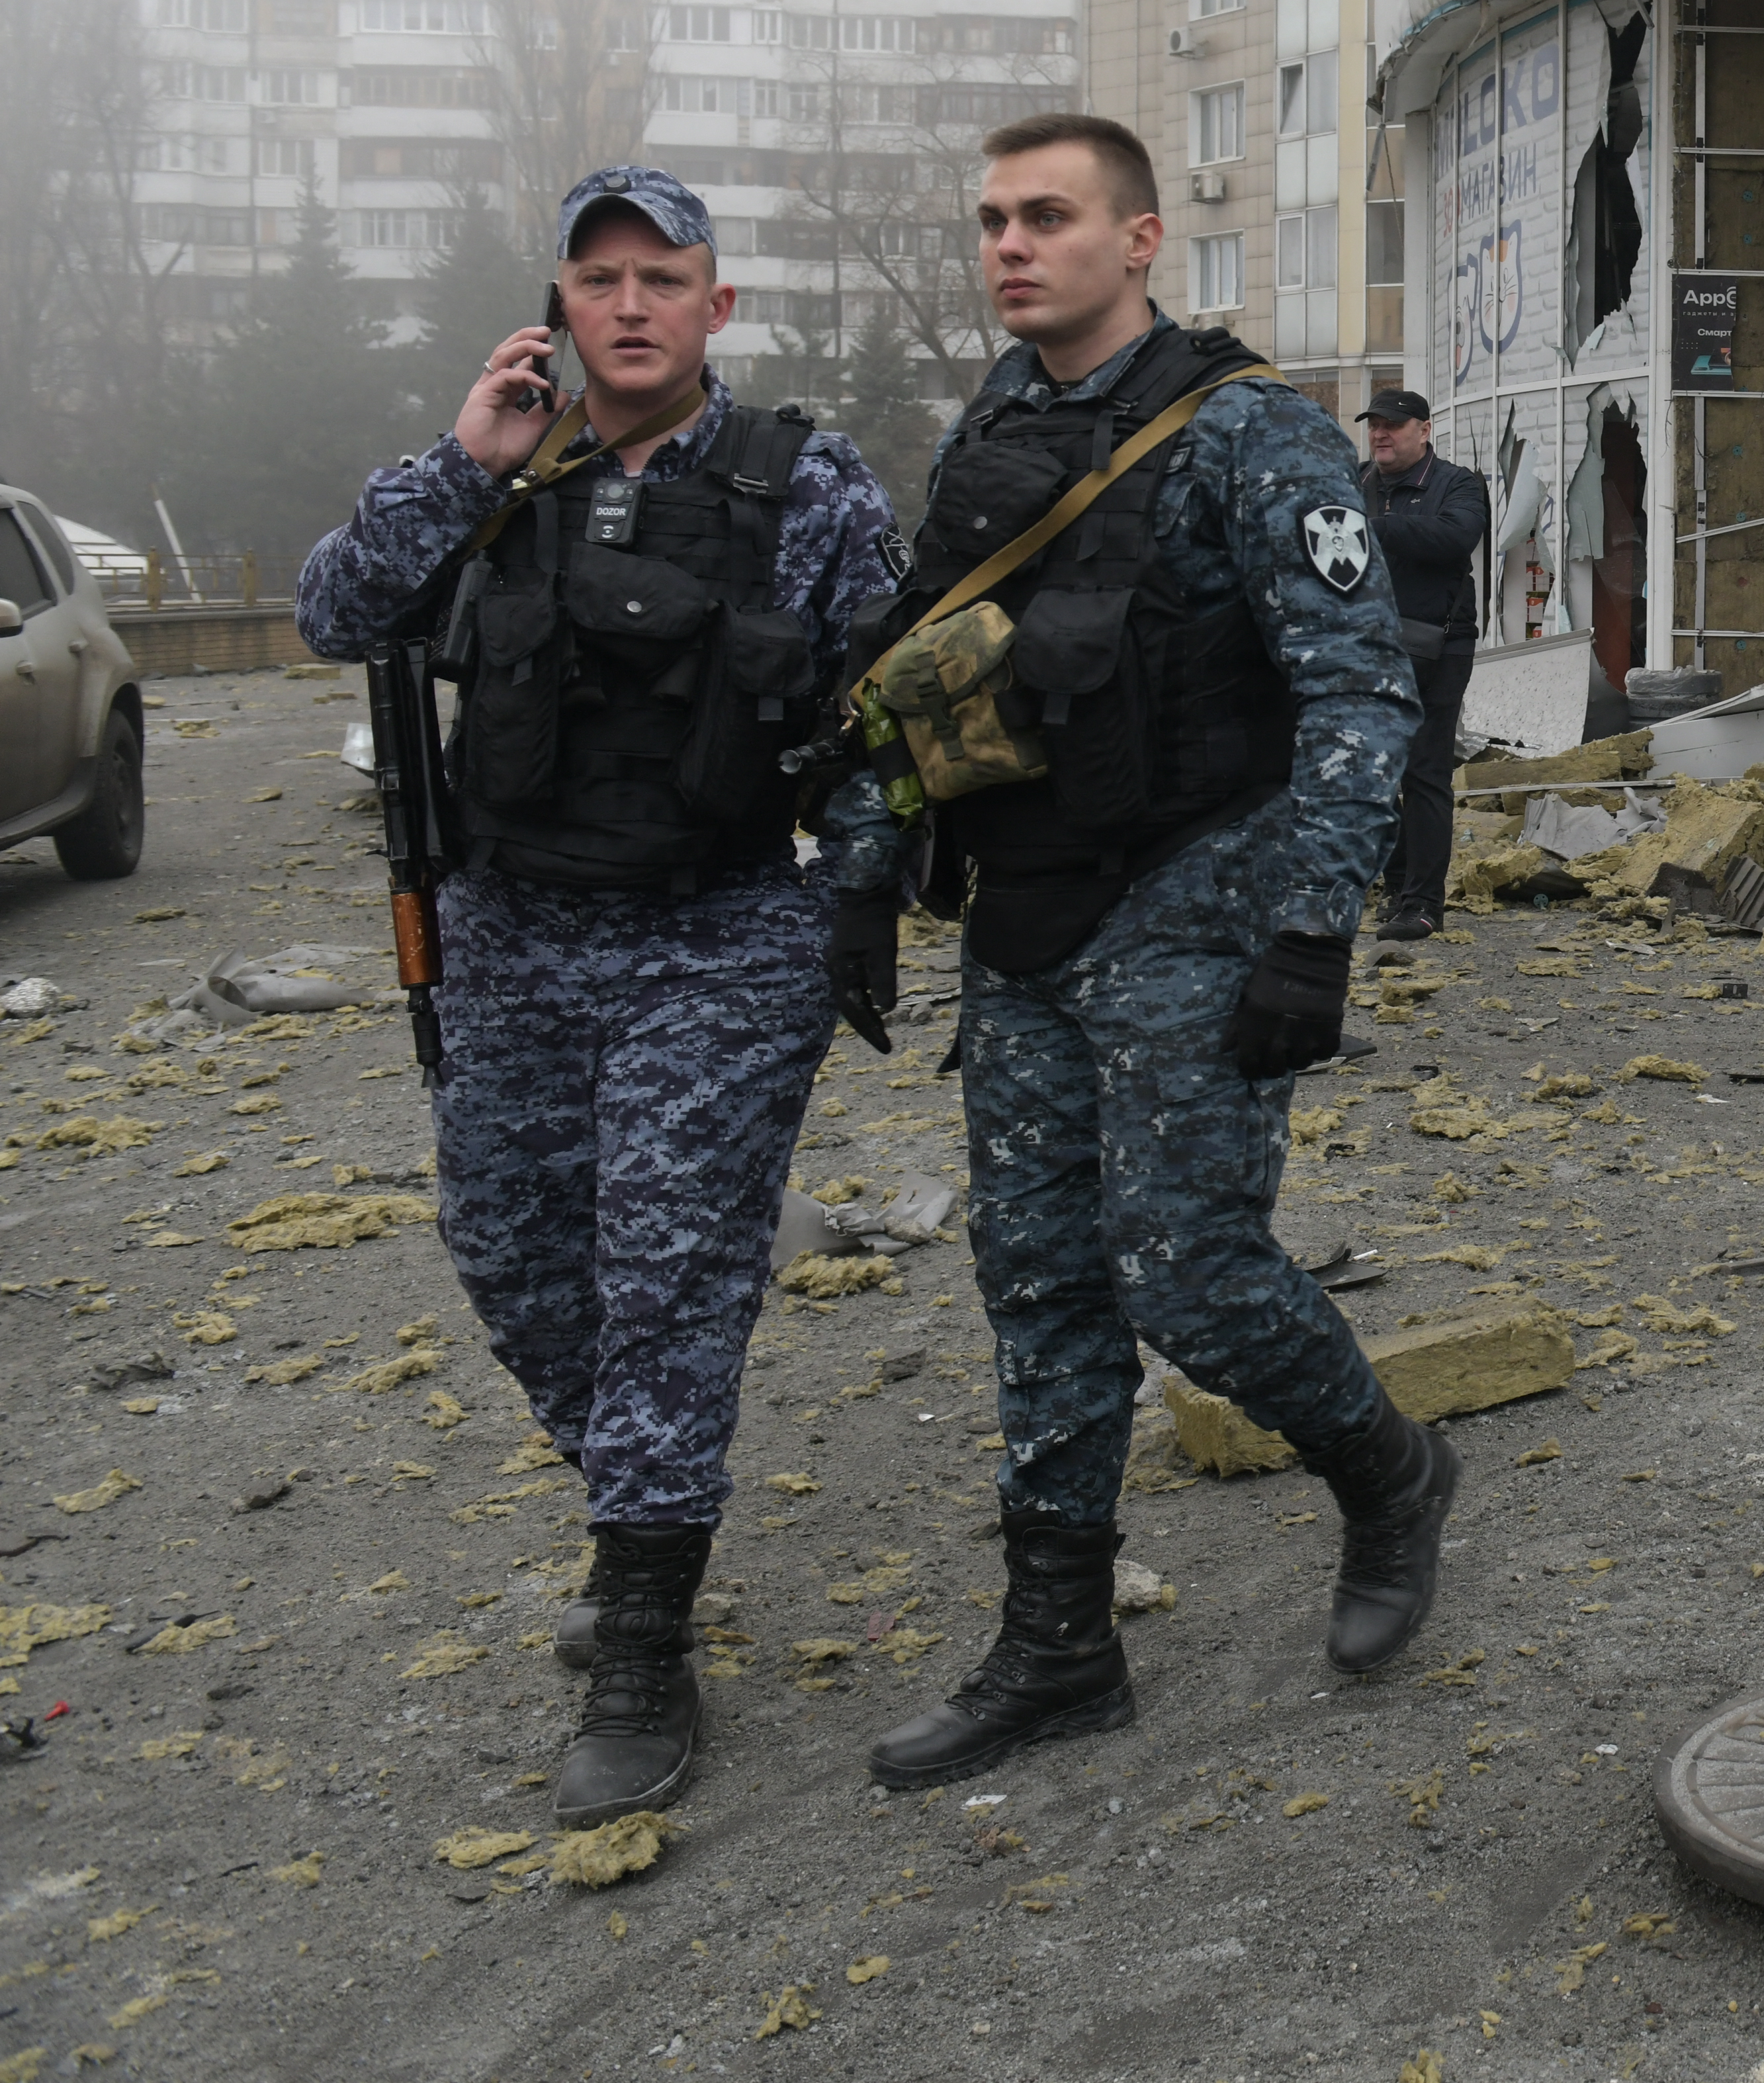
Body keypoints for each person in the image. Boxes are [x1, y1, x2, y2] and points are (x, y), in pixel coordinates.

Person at [294, 165, 897, 1830]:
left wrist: (863, 888)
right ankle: (648, 1507)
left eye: (664, 276)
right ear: (559, 304)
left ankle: (640, 1627)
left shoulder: (805, 481)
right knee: (506, 1245)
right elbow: (336, 610)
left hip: (720, 935)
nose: (629, 304)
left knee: (664, 1267)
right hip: (512, 936)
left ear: (718, 303)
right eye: (599, 276)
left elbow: (884, 697)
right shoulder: (494, 475)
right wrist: (461, 460)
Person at [836, 111, 1433, 1791]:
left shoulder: (1253, 434)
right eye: (992, 221)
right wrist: (864, 874)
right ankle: (1058, 1643)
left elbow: (1357, 693)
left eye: (1047, 216)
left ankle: (1388, 1473)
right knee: (1034, 1282)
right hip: (1027, 916)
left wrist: (1313, 932)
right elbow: (925, 671)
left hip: (1196, 902)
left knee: (1188, 1272)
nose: (1010, 246)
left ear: (1142, 237)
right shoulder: (994, 429)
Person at [1354, 387, 1485, 941]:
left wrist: (1375, 528)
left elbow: (1457, 537)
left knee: (1425, 772)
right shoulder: (1356, 482)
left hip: (1439, 646)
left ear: (1425, 430)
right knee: (1378, 775)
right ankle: (1396, 888)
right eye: (1375, 425)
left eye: (1394, 425)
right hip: (1366, 646)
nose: (1382, 434)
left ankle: (1424, 904)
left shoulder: (1457, 484)